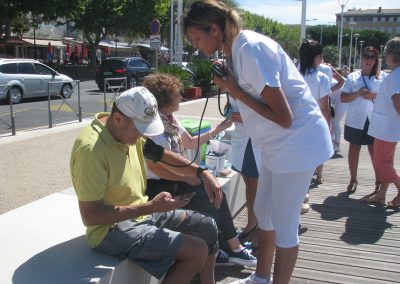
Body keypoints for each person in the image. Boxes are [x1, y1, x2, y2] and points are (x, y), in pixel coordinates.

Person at [182, 1, 333, 283]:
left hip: (296, 144)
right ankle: (261, 277)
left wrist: (233, 88)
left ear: (214, 28)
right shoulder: (234, 52)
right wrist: (231, 88)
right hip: (274, 145)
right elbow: (253, 106)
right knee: (263, 212)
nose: (195, 45)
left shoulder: (250, 49)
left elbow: (284, 116)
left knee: (285, 225)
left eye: (196, 38)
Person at [70, 86, 222, 284]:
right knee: (197, 250)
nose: (142, 136)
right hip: (110, 230)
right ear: (117, 118)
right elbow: (91, 216)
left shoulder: (124, 130)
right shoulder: (91, 150)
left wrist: (202, 173)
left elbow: (161, 155)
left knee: (208, 227)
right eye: (140, 129)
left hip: (141, 213)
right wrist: (152, 207)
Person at [142, 73, 257, 267]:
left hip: (177, 179)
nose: (181, 96)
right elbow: (155, 167)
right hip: (157, 185)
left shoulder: (170, 119)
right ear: (165, 98)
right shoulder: (152, 126)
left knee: (214, 192)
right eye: (177, 94)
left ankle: (229, 247)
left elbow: (189, 142)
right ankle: (232, 248)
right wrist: (186, 177)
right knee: (207, 197)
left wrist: (219, 129)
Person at [341, 46, 388, 194]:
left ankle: (378, 180)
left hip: (375, 119)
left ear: (376, 60)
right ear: (361, 58)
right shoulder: (352, 77)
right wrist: (358, 93)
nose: (368, 60)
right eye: (366, 56)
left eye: (372, 57)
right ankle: (353, 179)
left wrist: (374, 95)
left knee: (375, 152)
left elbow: (389, 98)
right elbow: (343, 98)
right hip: (356, 119)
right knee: (354, 150)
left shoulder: (383, 78)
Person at [363, 37, 400, 207]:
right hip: (386, 126)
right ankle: (381, 195)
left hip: (387, 128)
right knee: (387, 162)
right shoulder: (396, 73)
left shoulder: (396, 75)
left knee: (379, 162)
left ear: (393, 54)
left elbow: (398, 101)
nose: (385, 57)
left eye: (387, 53)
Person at [299, 40, 332, 185]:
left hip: (296, 121)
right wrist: (328, 126)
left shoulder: (295, 74)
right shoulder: (322, 78)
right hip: (314, 122)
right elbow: (324, 107)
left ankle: (302, 185)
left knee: (300, 156)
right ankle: (318, 176)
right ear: (317, 57)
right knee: (316, 152)